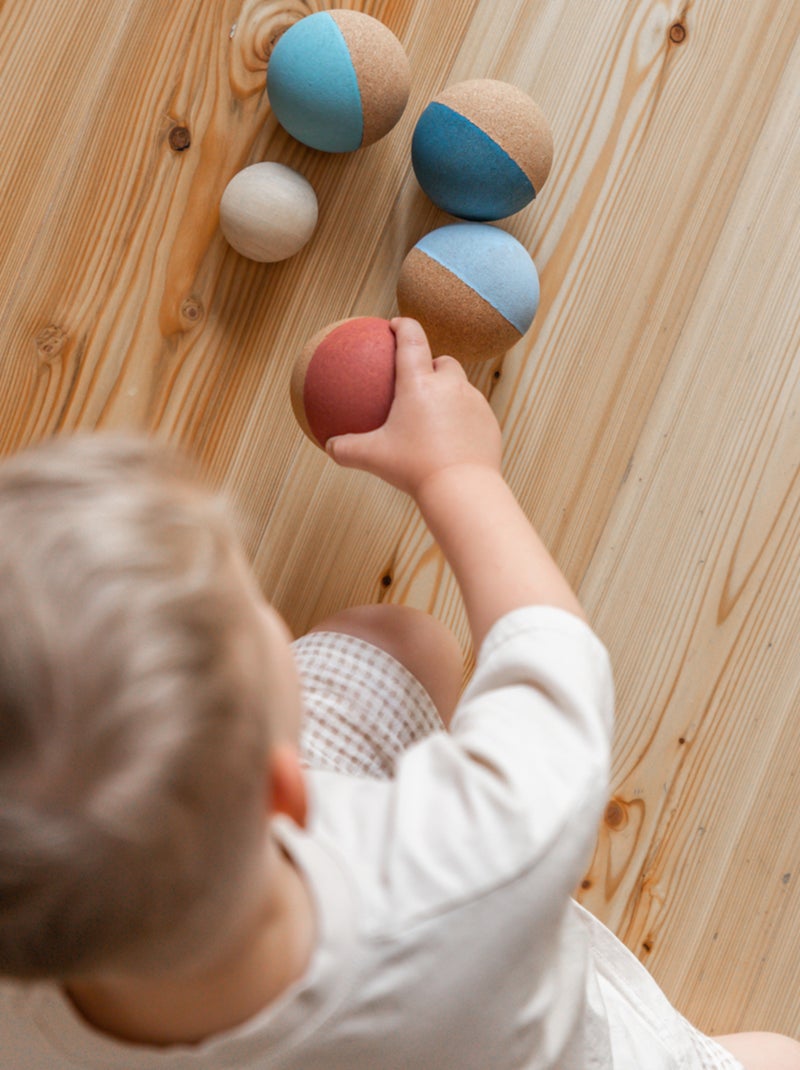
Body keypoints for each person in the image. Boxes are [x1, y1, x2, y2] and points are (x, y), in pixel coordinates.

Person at [0, 318, 796, 1070]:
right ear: (287, 791)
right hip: (500, 1011)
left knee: (394, 646)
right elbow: (550, 656)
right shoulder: (470, 861)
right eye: (253, 611)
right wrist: (457, 474)